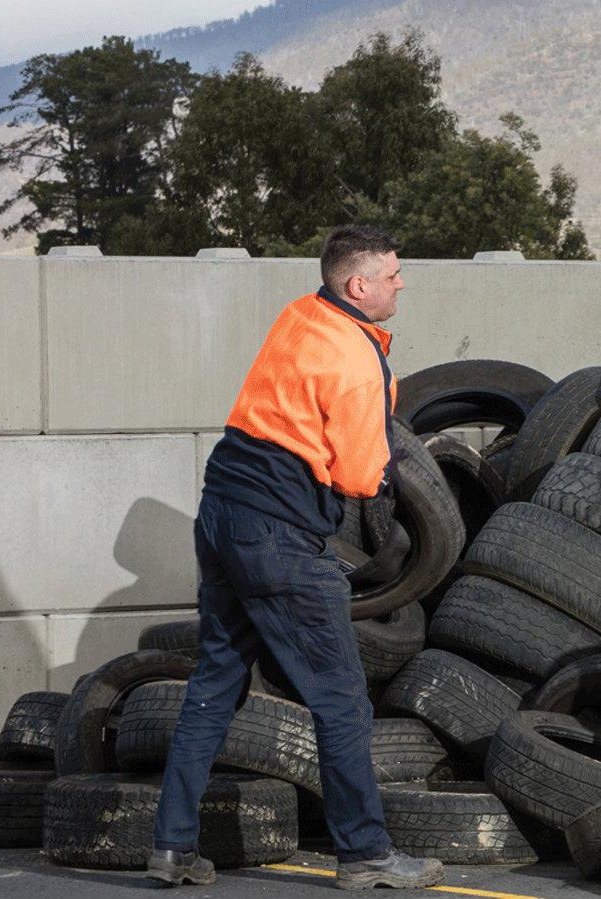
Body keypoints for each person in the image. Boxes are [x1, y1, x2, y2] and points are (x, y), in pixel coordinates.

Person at [145, 225, 443, 890]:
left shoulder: (301, 314)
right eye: (392, 274)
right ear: (358, 285)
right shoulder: (358, 359)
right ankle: (365, 853)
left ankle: (170, 846)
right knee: (341, 701)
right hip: (278, 540)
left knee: (215, 684)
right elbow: (363, 476)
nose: (401, 283)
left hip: (221, 513)